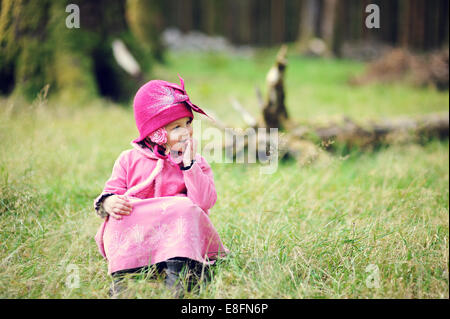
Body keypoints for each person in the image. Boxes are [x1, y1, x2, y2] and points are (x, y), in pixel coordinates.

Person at [93, 76, 228, 298]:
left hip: (177, 239)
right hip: (141, 237)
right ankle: (125, 276)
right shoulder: (128, 159)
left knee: (184, 208)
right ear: (155, 133)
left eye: (188, 123)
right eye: (177, 127)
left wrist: (189, 166)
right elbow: (111, 191)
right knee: (121, 213)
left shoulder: (195, 161)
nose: (187, 131)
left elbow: (204, 203)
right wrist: (109, 202)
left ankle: (183, 272)